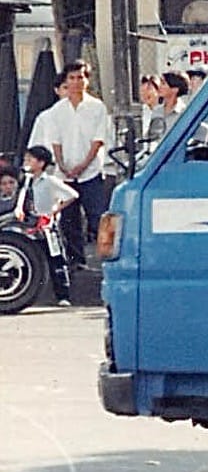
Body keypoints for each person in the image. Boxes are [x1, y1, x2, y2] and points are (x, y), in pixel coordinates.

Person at [46, 61, 113, 266]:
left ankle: (106, 262)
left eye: (80, 77)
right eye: (72, 78)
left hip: (90, 172)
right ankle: (77, 262)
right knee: (69, 221)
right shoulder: (57, 110)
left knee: (98, 218)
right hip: (65, 175)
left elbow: (98, 140)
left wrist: (83, 165)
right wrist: (62, 165)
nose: (76, 82)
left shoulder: (97, 107)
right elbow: (55, 141)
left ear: (87, 80)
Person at [22, 146, 79, 307]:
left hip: (47, 227)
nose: (27, 162)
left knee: (56, 260)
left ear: (41, 163)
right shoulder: (27, 180)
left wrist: (55, 209)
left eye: (30, 159)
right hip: (30, 224)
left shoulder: (50, 181)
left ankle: (63, 295)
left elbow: (72, 195)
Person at [150, 71, 190, 140]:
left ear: (175, 89)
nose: (159, 86)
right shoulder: (156, 110)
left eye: (163, 83)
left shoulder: (184, 113)